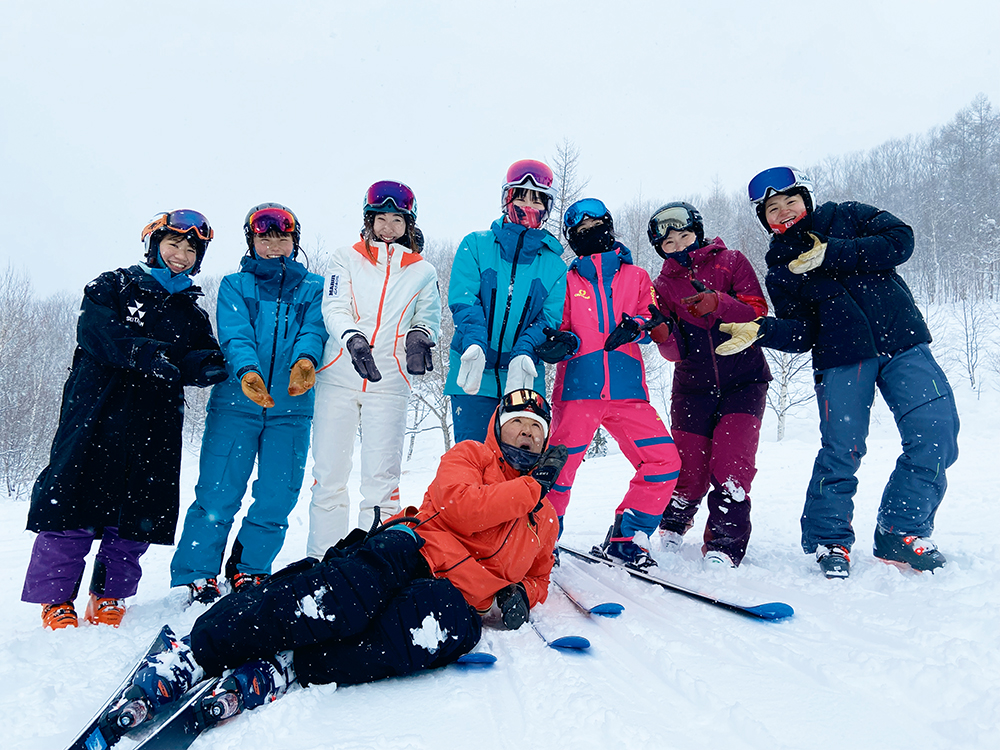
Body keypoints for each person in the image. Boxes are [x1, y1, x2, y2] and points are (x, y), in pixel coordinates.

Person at [106, 391, 569, 730]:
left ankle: (292, 664)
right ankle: (197, 652)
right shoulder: (472, 456)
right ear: (498, 427)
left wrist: (521, 593)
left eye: (536, 429)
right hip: (416, 548)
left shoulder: (545, 517)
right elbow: (459, 507)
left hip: (457, 595)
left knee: (429, 630)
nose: (526, 434)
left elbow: (540, 574)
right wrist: (531, 488)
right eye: (518, 423)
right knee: (342, 598)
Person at [716, 166, 959, 577]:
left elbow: (901, 240)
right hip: (841, 359)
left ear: (807, 199)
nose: (784, 211)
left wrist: (833, 251)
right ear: (765, 220)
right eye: (772, 209)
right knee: (841, 450)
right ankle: (829, 539)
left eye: (791, 200)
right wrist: (762, 329)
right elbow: (803, 332)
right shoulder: (781, 268)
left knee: (937, 436)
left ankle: (902, 530)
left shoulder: (848, 215)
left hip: (903, 343)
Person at [22, 210, 227, 629]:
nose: (181, 254)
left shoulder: (191, 311)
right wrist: (153, 355)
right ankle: (56, 601)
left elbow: (202, 356)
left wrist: (211, 367)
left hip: (156, 421)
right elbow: (97, 334)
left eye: (191, 250)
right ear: (154, 245)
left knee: (138, 509)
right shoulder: (113, 285)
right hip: (96, 411)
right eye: (173, 244)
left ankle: (109, 595)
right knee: (72, 502)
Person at [170, 203, 327, 604]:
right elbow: (235, 334)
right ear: (251, 241)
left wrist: (305, 361)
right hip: (236, 404)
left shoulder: (314, 287)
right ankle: (198, 571)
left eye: (281, 237)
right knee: (219, 489)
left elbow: (314, 329)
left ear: (294, 242)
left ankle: (251, 566)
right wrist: (247, 372)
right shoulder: (235, 285)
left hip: (292, 408)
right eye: (264, 237)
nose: (273, 245)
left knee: (279, 493)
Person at [534, 198, 681, 569]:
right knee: (556, 472)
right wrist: (562, 342)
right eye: (581, 232)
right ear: (572, 239)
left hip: (627, 391)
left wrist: (639, 327)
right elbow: (558, 326)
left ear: (610, 228)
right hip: (578, 391)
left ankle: (628, 538)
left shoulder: (637, 277)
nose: (591, 235)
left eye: (596, 227)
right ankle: (541, 542)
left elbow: (652, 319)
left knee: (664, 461)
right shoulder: (566, 280)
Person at [307, 181, 441, 559]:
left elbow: (429, 316)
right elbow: (334, 307)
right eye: (380, 218)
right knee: (329, 476)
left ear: (409, 224)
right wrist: (352, 339)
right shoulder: (344, 258)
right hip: (339, 375)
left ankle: (372, 564)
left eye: (397, 220)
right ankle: (321, 559)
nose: (387, 227)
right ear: (368, 220)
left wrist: (419, 337)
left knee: (381, 481)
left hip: (389, 382)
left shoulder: (422, 271)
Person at [646, 202, 771, 568]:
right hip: (692, 387)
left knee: (732, 465)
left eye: (685, 236)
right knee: (689, 468)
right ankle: (673, 524)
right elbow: (674, 353)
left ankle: (724, 545)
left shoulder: (730, 261)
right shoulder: (662, 286)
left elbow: (757, 313)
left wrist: (719, 303)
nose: (679, 246)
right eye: (669, 242)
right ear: (660, 248)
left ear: (697, 232)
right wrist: (662, 333)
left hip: (744, 381)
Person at [445, 159, 568, 443]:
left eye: (537, 200)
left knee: (519, 460)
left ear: (547, 207)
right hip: (473, 370)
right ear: (507, 199)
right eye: (521, 197)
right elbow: (464, 301)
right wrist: (476, 343)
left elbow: (548, 319)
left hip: (523, 375)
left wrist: (524, 351)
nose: (528, 207)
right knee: (472, 458)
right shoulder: (475, 245)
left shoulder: (554, 266)